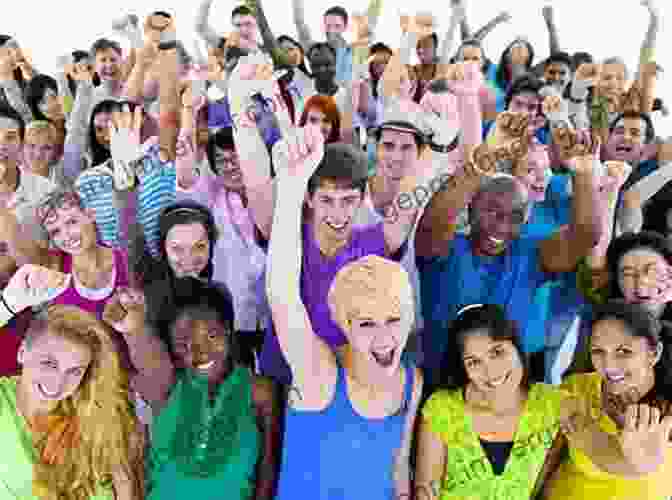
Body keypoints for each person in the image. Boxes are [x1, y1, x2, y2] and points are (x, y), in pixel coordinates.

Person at [266, 122, 422, 498]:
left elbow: (400, 470)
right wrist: (289, 188)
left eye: (394, 320)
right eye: (367, 323)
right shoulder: (318, 377)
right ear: (345, 322)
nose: (385, 337)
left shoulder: (410, 383)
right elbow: (282, 292)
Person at [108, 279, 280, 500]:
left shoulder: (259, 390)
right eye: (184, 344)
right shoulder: (169, 385)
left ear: (227, 330)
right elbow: (145, 354)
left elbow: (268, 468)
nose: (201, 353)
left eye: (211, 336)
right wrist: (132, 327)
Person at [0, 265, 144, 500]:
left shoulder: (95, 408)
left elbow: (123, 481)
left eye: (74, 371)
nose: (58, 383)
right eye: (49, 364)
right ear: (22, 351)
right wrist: (9, 304)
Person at [416, 304, 563, 499]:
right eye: (474, 362)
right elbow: (426, 493)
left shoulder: (552, 404)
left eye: (497, 352)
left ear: (517, 347)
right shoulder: (441, 409)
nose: (491, 371)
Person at [541, 300, 672, 500]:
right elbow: (549, 462)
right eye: (598, 351)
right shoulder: (576, 389)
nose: (609, 366)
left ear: (654, 353)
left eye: (624, 352)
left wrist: (642, 461)